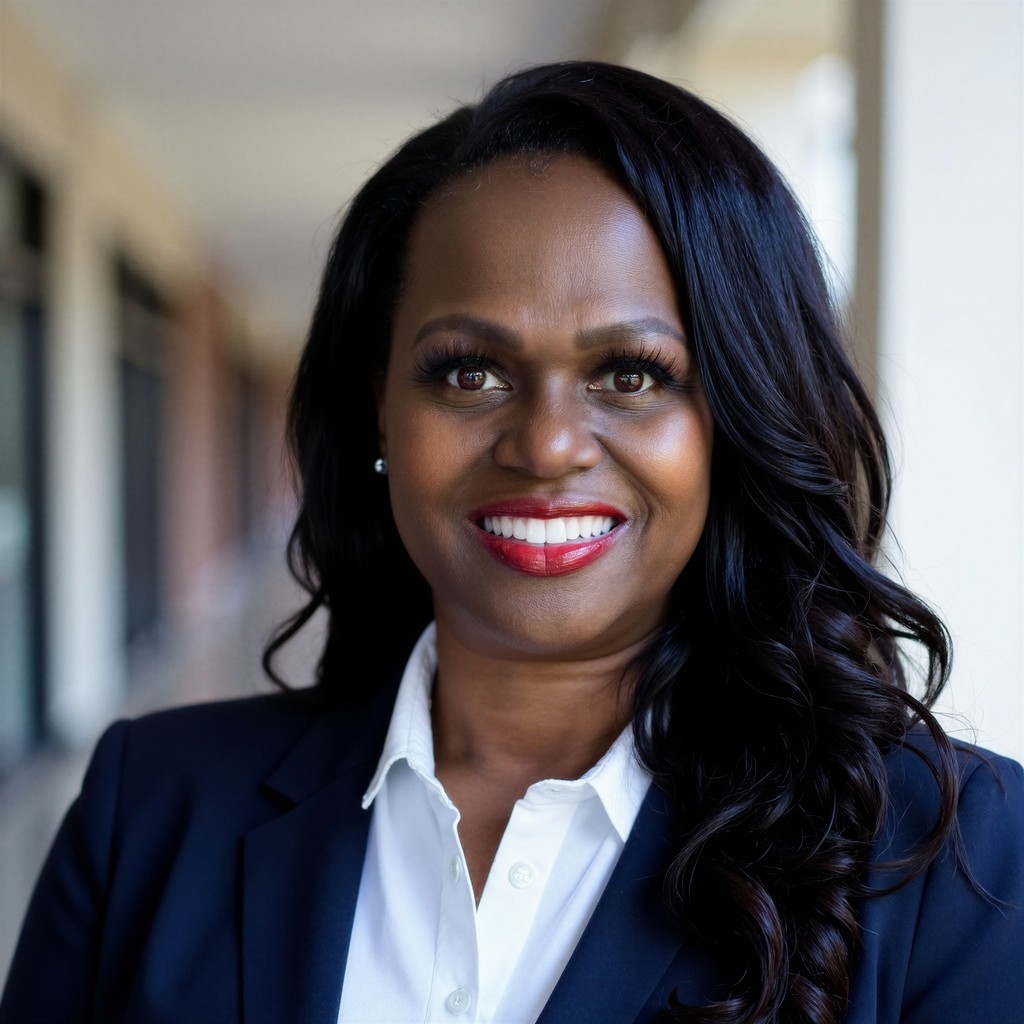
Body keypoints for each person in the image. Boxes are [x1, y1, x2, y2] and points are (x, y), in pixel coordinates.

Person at [2, 60, 1022, 1024]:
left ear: (738, 419)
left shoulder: (955, 856)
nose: (544, 445)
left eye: (630, 373)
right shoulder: (152, 810)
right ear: (379, 416)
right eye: (469, 371)